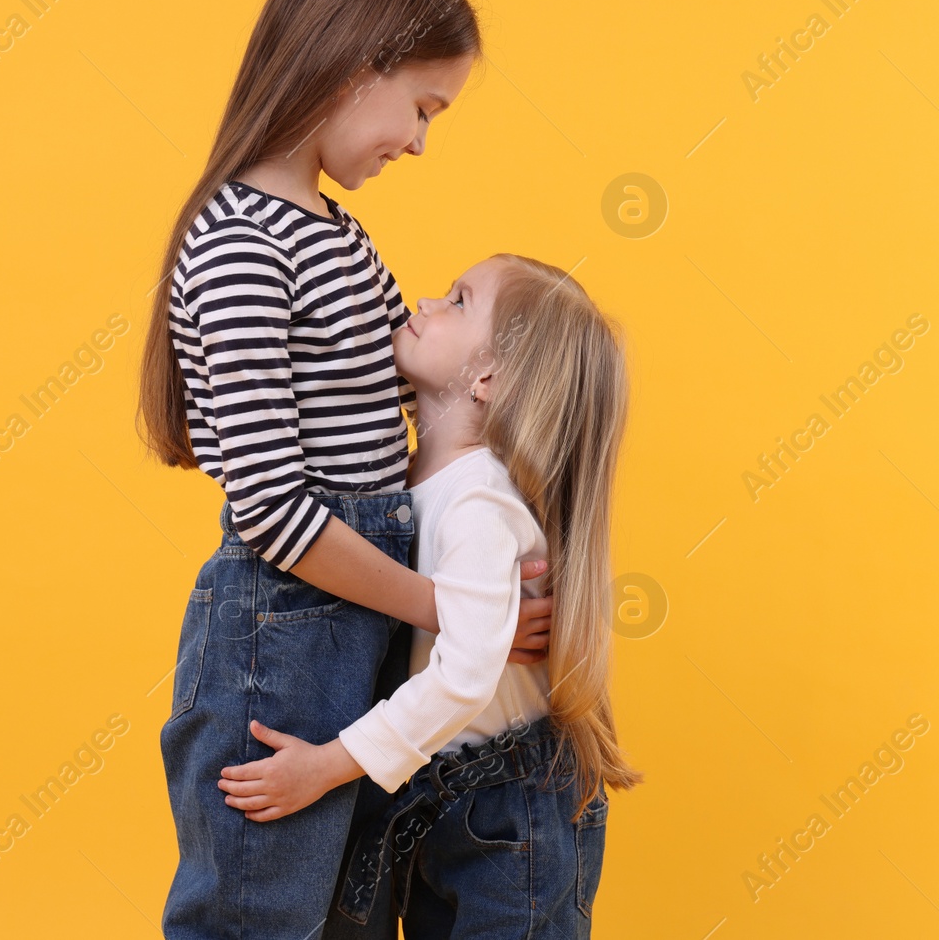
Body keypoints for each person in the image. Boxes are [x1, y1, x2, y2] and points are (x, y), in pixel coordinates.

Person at [137, 0, 555, 939]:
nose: (418, 141)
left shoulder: (329, 230)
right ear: (350, 65)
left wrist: (495, 580)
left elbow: (419, 411)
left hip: (351, 622)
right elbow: (275, 510)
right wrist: (451, 608)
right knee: (257, 914)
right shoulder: (238, 242)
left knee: (346, 917)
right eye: (420, 106)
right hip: (281, 636)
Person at [216, 255, 644, 938]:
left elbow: (464, 677)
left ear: (488, 379)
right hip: (436, 792)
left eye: (458, 300)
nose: (424, 300)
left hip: (507, 809)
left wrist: (325, 768)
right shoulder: (411, 474)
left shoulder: (477, 499)